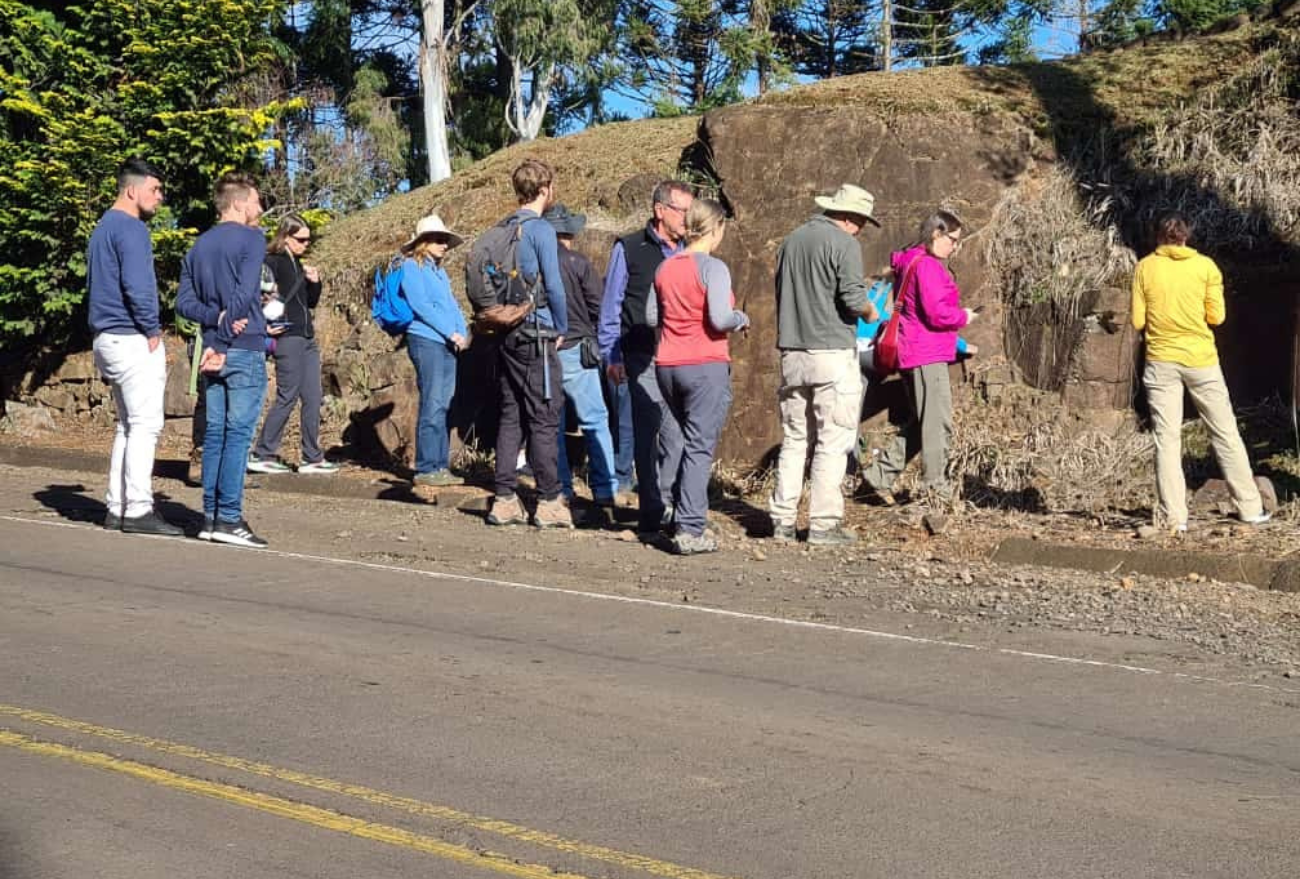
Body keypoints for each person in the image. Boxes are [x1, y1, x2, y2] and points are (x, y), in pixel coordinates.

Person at [1131, 211, 1270, 530]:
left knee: (1166, 440)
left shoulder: (1145, 268)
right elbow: (1216, 317)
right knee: (1225, 433)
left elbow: (1138, 321)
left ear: (1158, 236)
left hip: (1160, 361)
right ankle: (1249, 508)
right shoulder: (1206, 267)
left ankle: (1174, 518)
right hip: (1202, 360)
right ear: (1186, 236)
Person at [768, 184, 881, 546]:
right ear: (847, 216)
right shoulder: (844, 243)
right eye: (861, 221)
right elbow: (851, 298)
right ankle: (823, 523)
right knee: (834, 439)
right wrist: (869, 308)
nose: (860, 228)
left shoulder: (791, 240)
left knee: (795, 438)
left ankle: (782, 520)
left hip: (792, 352)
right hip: (831, 353)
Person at [86, 158, 183, 536]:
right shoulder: (131, 229)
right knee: (145, 426)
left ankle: (117, 505)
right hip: (130, 336)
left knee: (127, 426)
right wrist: (152, 329)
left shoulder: (103, 227)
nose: (160, 197)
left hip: (105, 338)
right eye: (154, 190)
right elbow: (138, 286)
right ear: (132, 190)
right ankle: (139, 509)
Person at [176, 171, 270, 548]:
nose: (260, 209)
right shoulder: (251, 238)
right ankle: (229, 517)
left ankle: (211, 517)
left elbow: (183, 302)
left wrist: (214, 330)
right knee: (237, 435)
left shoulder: (198, 246)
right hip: (241, 347)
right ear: (238, 202)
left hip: (213, 346)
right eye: (257, 201)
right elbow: (246, 293)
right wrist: (228, 338)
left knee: (215, 433)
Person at [649, 199, 749, 554]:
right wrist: (741, 318)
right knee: (698, 447)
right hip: (704, 364)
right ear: (716, 228)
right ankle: (691, 528)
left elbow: (650, 315)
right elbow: (720, 318)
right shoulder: (713, 268)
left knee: (675, 440)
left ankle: (669, 510)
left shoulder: (665, 268)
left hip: (667, 365)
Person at [597, 180, 694, 538]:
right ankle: (652, 508)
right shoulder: (630, 247)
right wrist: (612, 355)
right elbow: (612, 305)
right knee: (646, 434)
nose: (688, 218)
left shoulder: (691, 250)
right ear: (660, 210)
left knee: (677, 434)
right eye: (682, 210)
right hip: (639, 355)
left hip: (681, 356)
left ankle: (669, 501)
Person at [860, 210, 976, 501]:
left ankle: (880, 475)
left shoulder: (909, 260)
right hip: (927, 352)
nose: (955, 247)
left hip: (913, 351)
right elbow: (937, 314)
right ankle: (934, 487)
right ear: (936, 234)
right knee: (937, 422)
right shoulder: (928, 267)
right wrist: (963, 316)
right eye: (953, 240)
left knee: (924, 421)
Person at [487, 159, 572, 528]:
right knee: (544, 416)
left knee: (510, 416)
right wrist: (562, 326)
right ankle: (550, 501)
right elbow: (553, 284)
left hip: (505, 333)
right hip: (537, 334)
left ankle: (504, 499)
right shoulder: (540, 230)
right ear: (545, 189)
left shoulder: (502, 228)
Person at [543, 203, 620, 519]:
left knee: (553, 425)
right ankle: (605, 489)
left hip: (545, 350)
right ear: (568, 234)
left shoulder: (534, 263)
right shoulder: (578, 263)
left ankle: (561, 488)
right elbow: (599, 306)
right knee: (595, 420)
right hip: (578, 347)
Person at [248, 214, 337, 474]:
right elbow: (258, 296)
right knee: (288, 395)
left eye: (309, 240)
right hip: (287, 336)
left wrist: (316, 282)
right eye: (301, 239)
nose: (305, 244)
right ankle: (262, 452)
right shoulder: (271, 262)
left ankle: (312, 457)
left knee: (313, 396)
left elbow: (309, 302)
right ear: (286, 236)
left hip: (306, 335)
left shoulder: (298, 265)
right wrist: (263, 326)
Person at [398, 214, 467, 487]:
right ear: (423, 242)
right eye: (439, 240)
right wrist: (451, 332)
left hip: (448, 342)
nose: (444, 245)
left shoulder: (440, 272)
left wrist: (462, 332)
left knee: (444, 404)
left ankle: (439, 466)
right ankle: (427, 467)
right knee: (433, 402)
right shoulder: (411, 268)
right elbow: (421, 306)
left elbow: (451, 305)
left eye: (445, 240)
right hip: (426, 340)